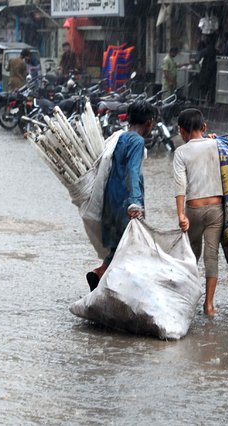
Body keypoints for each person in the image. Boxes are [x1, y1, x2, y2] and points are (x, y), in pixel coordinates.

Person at [86, 100, 155, 291]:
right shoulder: (137, 141)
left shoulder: (120, 138)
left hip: (111, 201)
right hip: (126, 203)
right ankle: (123, 291)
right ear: (149, 122)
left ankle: (99, 274)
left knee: (118, 247)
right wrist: (135, 203)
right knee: (134, 247)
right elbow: (133, 171)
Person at [173, 108, 224, 315]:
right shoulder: (216, 145)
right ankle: (209, 306)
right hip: (216, 209)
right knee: (212, 257)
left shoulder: (181, 152)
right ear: (204, 127)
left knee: (191, 255)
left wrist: (181, 215)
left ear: (181, 130)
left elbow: (180, 185)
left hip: (193, 208)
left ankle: (188, 301)